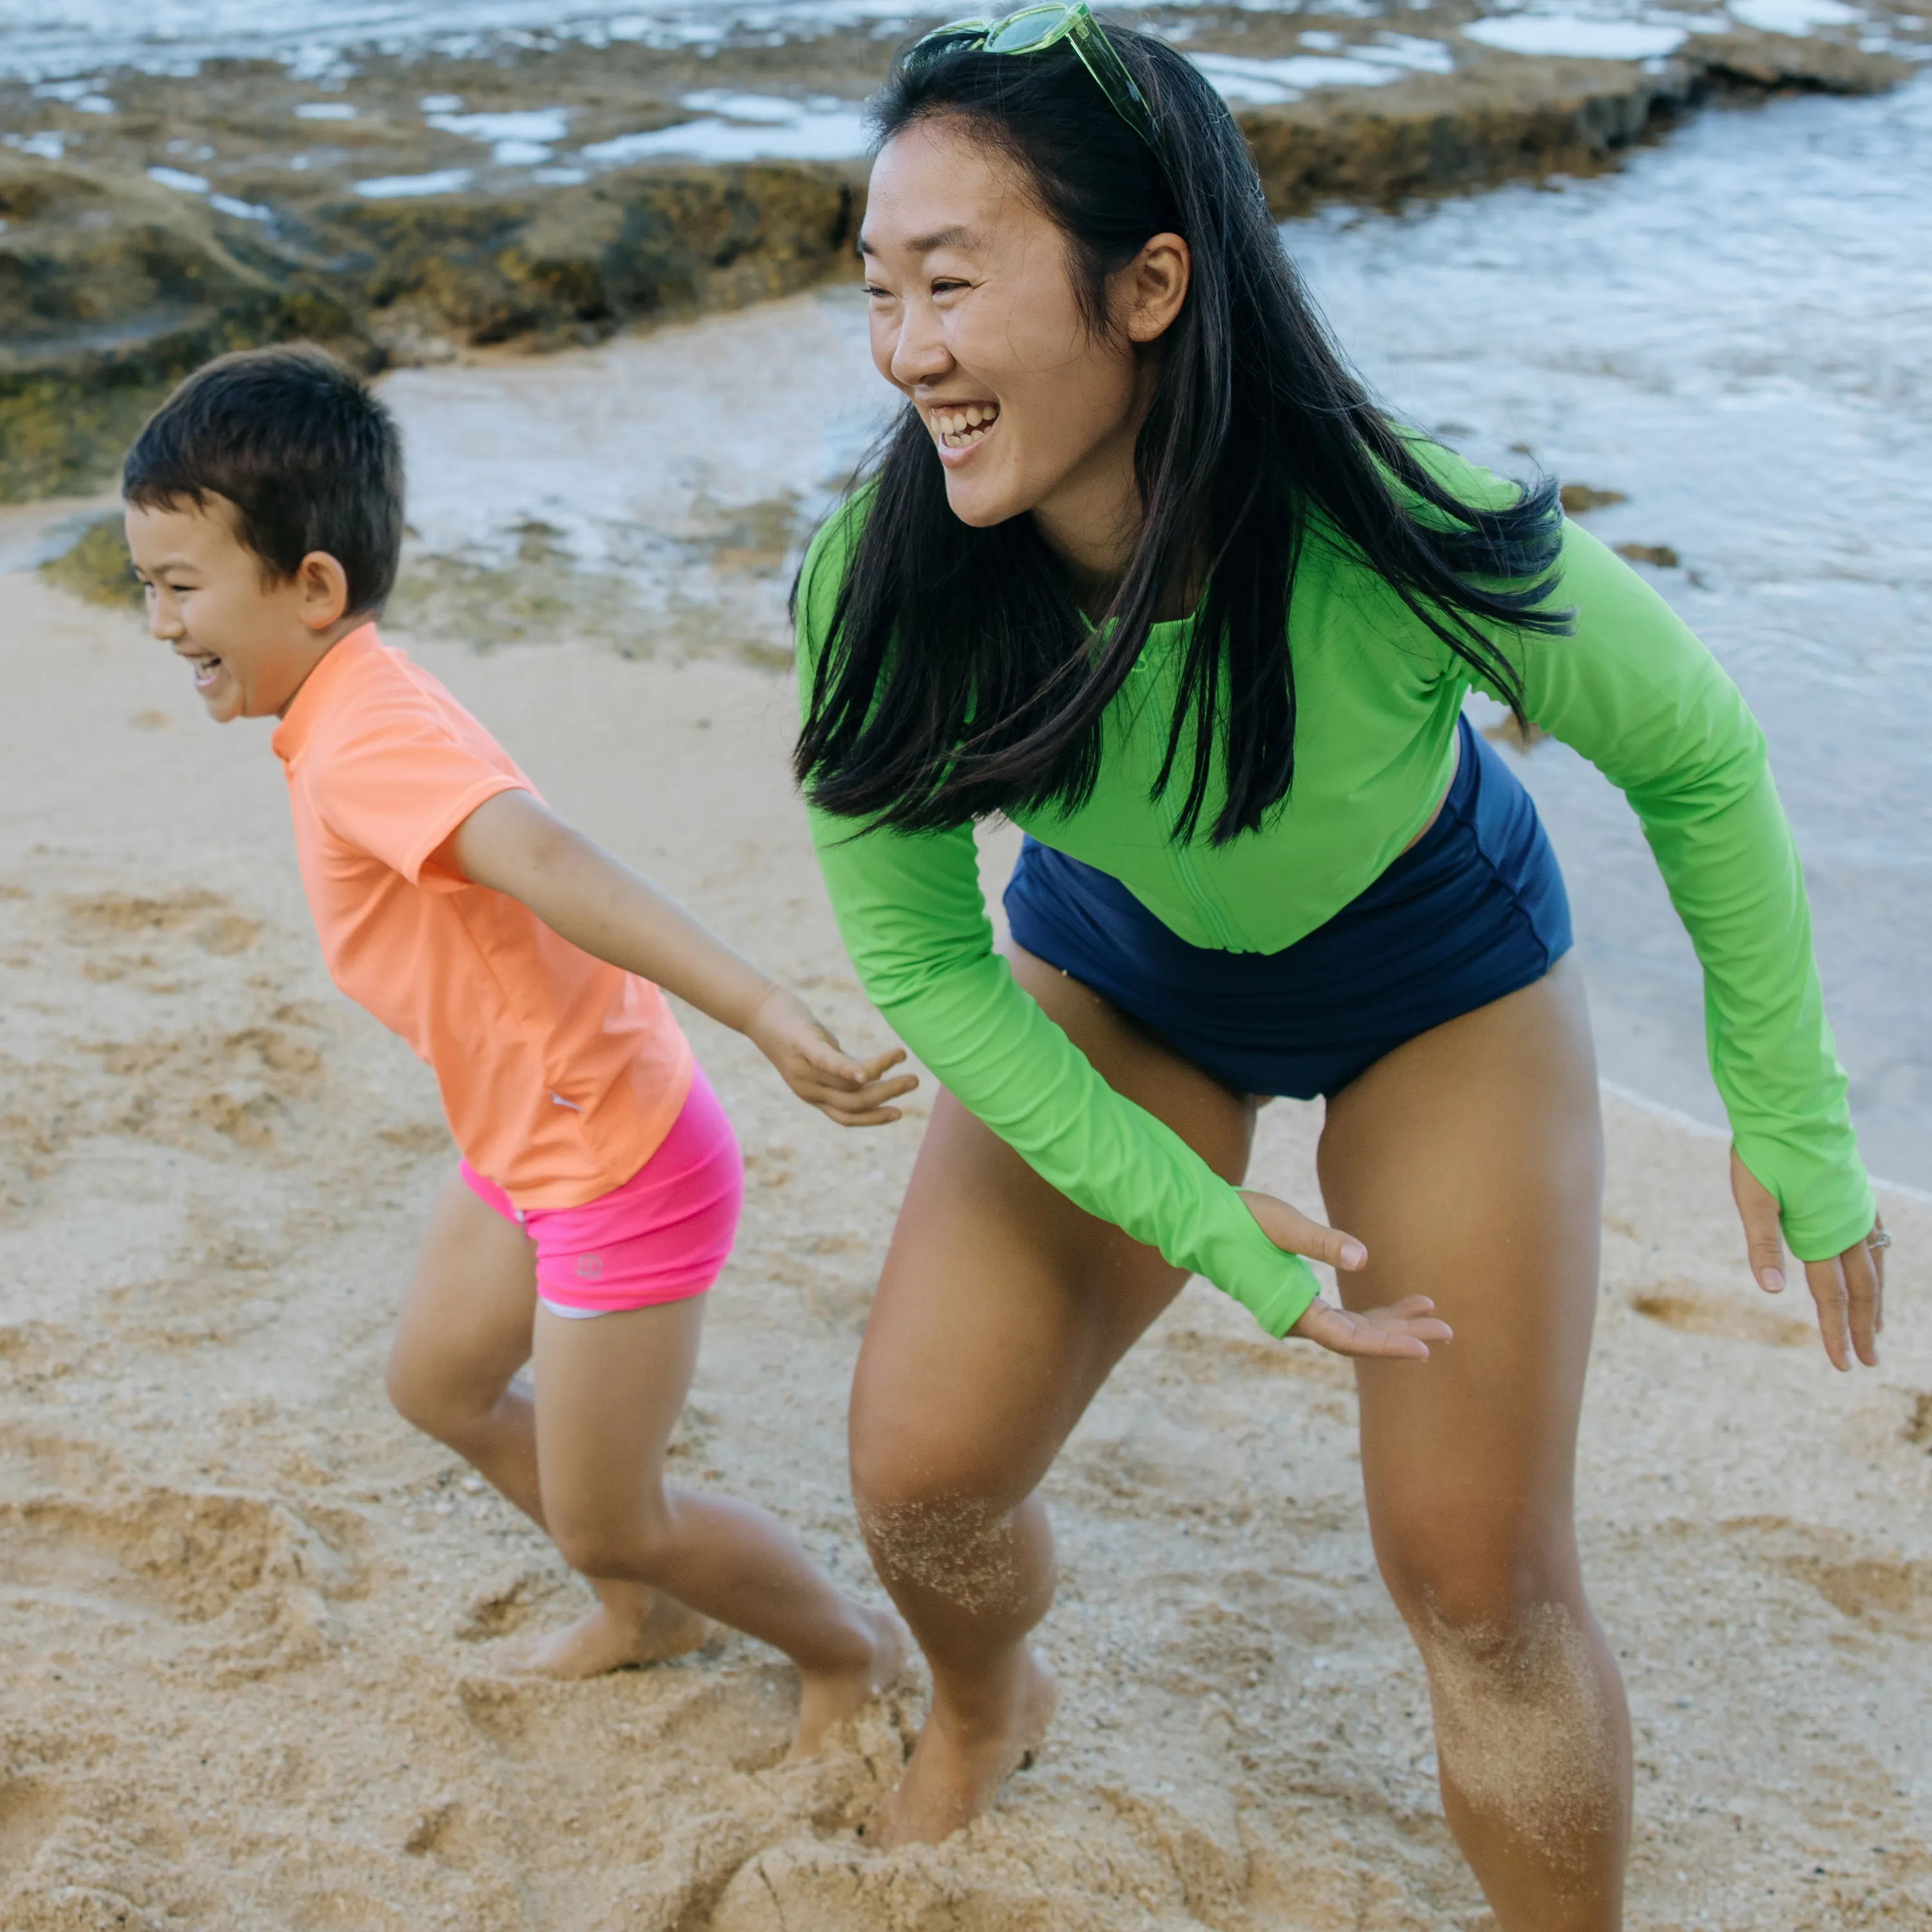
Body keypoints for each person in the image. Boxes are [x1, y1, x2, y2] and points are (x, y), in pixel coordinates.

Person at [791, 5, 1889, 1916]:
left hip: (1437, 982)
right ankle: (986, 1705)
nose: (909, 355)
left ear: (1149, 284)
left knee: (1480, 1584)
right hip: (1122, 975)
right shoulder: (880, 588)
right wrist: (1200, 1222)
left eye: (951, 284)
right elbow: (929, 964)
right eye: (882, 290)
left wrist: (1787, 1107)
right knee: (925, 1480)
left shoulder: (1397, 523)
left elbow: (1697, 757)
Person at [123, 345, 912, 1754]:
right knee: (439, 1386)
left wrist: (763, 1011)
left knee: (620, 1507)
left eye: (182, 588)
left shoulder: (367, 741)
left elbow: (550, 860)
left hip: (616, 1159)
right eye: (146, 586)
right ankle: (643, 1614)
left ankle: (844, 1651)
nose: (160, 621)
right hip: (526, 1135)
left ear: (311, 586)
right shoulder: (343, 700)